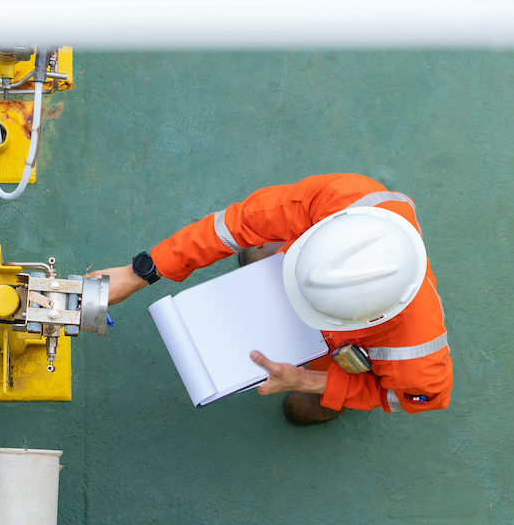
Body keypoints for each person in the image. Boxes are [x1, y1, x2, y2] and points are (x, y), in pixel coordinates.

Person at [90, 173, 451, 425]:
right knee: (259, 242)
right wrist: (139, 272)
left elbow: (400, 398)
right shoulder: (346, 198)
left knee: (302, 406)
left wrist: (306, 381)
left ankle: (324, 388)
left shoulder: (416, 360)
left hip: (342, 351)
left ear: (366, 321)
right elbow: (238, 223)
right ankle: (280, 264)